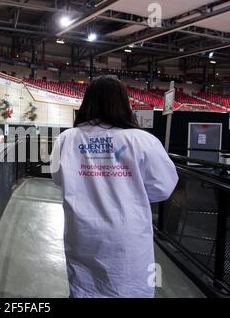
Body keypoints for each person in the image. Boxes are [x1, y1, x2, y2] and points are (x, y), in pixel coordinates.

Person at [50, 76, 178, 298]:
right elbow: (163, 187)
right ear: (123, 103)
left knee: (85, 288)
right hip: (128, 236)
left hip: (82, 233)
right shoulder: (143, 140)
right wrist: (128, 190)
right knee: (129, 288)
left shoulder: (66, 139)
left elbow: (59, 179)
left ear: (87, 101)